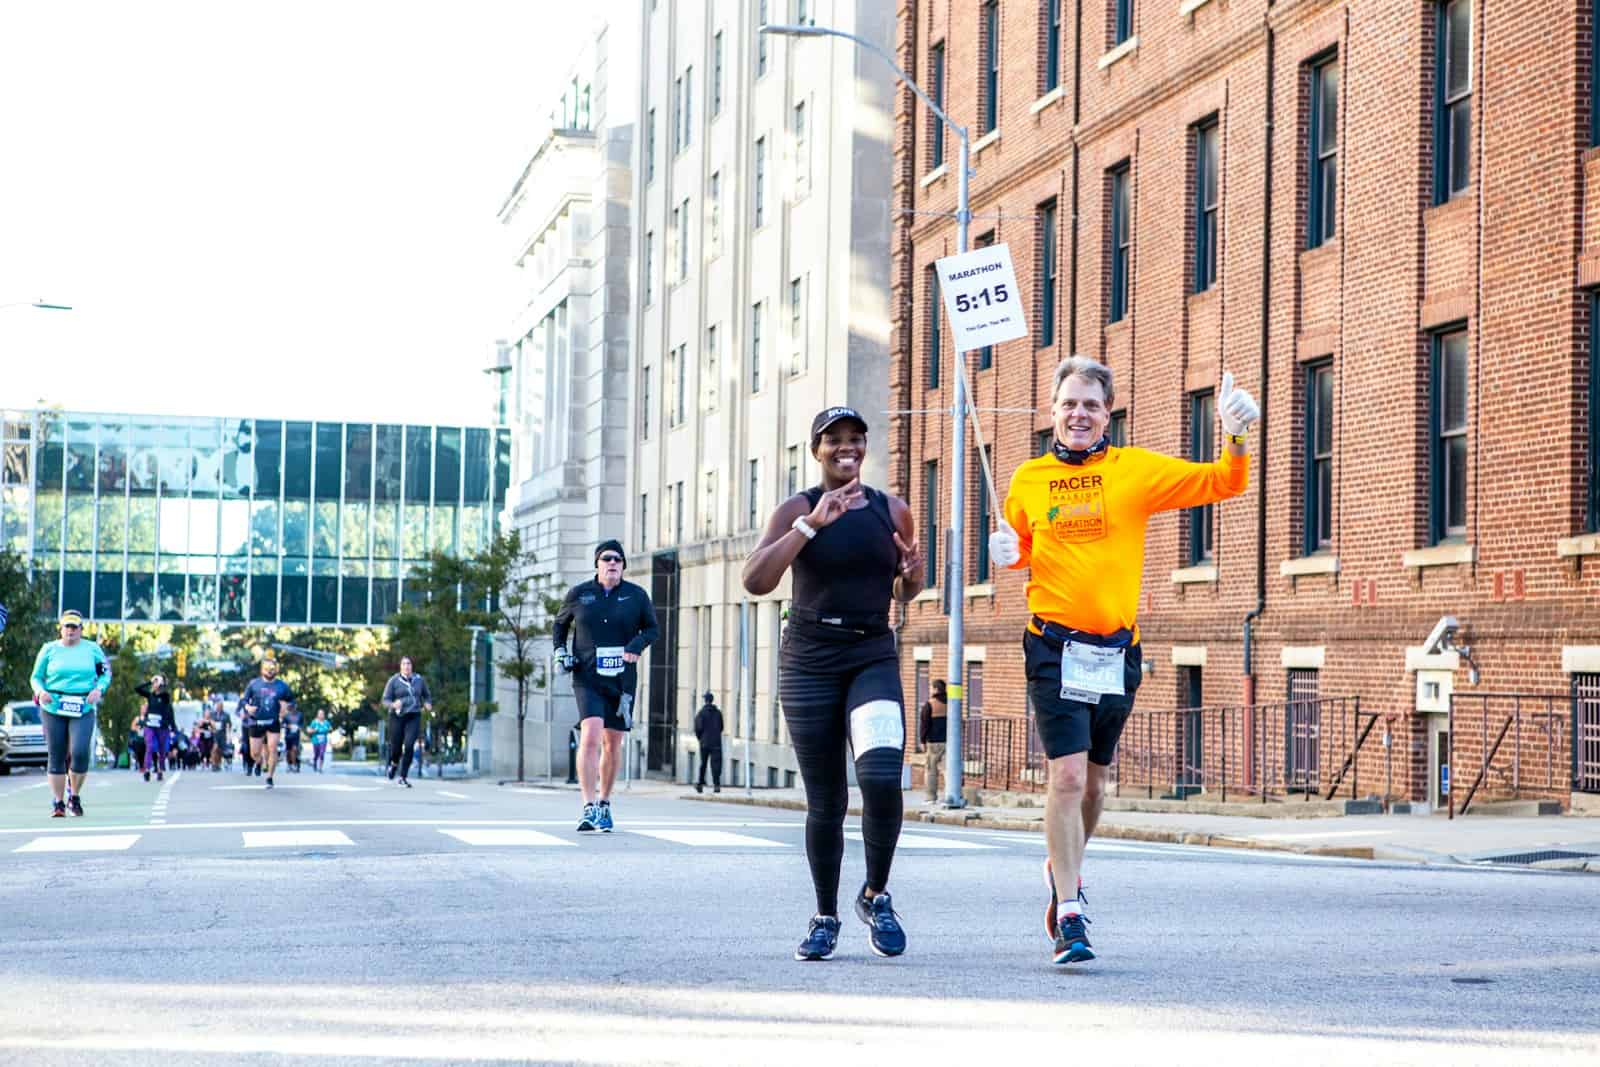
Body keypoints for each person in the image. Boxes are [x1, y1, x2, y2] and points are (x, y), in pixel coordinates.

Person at [991, 357, 1258, 966]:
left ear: (1107, 413)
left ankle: (1064, 867)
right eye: (1069, 403)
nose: (1079, 413)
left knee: (1096, 781)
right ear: (1052, 412)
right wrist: (1004, 552)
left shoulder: (1133, 469)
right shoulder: (1028, 478)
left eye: (1091, 404)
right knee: (1066, 775)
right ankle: (1070, 909)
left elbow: (1225, 482)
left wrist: (1236, 434)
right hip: (1053, 646)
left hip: (1114, 652)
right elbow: (1021, 551)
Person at [742, 406, 923, 961]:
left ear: (866, 447)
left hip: (871, 652)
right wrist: (810, 525)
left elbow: (904, 591)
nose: (846, 448)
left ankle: (876, 894)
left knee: (881, 778)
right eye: (834, 441)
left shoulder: (891, 509)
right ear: (817, 450)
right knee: (827, 799)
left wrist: (912, 576)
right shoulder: (795, 509)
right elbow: (755, 580)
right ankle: (826, 916)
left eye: (855, 439)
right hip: (809, 659)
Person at [553, 539, 660, 832]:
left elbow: (652, 629)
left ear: (624, 565)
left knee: (612, 744)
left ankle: (604, 803)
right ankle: (587, 807)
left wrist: (636, 645)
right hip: (587, 676)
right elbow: (559, 625)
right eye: (607, 559)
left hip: (622, 680)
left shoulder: (636, 596)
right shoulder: (580, 594)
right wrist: (560, 652)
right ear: (597, 564)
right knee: (590, 735)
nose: (612, 564)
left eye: (618, 560)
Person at [29, 610, 111, 817]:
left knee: (80, 751)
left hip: (82, 705)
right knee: (56, 753)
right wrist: (41, 691)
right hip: (53, 705)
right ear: (61, 629)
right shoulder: (49, 649)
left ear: (81, 629)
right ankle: (58, 803)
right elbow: (36, 677)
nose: (71, 631)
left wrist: (98, 689)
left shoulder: (92, 649)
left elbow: (105, 673)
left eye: (75, 627)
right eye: (67, 627)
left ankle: (74, 796)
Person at [237, 658, 295, 789]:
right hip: (256, 721)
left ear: (276, 670)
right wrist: (248, 707)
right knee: (254, 753)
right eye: (267, 669)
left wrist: (288, 708)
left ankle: (269, 777)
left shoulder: (282, 686)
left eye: (272, 669)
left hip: (273, 721)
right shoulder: (254, 684)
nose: (270, 671)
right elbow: (244, 700)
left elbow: (292, 701)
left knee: (273, 748)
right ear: (262, 669)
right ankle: (259, 762)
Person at [381, 657, 432, 788]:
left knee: (409, 745)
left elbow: (427, 695)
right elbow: (385, 700)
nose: (406, 666)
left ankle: (403, 777)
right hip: (397, 716)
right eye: (404, 664)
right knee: (396, 747)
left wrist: (427, 703)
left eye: (408, 664)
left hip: (413, 716)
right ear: (400, 667)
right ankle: (394, 764)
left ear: (412, 666)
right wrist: (393, 704)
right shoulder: (394, 681)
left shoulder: (419, 680)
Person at [135, 674, 177, 782]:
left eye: (156, 683)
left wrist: (173, 728)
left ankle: (160, 770)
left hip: (162, 726)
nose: (154, 685)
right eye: (154, 683)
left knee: (162, 749)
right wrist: (150, 681)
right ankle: (147, 769)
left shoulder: (165, 697)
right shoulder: (150, 696)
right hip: (150, 725)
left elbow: (169, 711)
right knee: (149, 746)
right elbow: (137, 689)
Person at [918, 680, 948, 805]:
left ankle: (931, 797)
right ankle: (950, 795)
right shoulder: (951, 703)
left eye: (931, 688)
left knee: (931, 771)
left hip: (934, 742)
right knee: (948, 770)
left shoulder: (930, 704)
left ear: (935, 689)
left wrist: (922, 740)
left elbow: (925, 724)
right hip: (949, 742)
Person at [692, 691, 724, 794]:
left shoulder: (701, 713)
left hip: (704, 742)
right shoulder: (718, 713)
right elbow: (721, 727)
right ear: (712, 700)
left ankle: (700, 784)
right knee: (716, 764)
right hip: (716, 742)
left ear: (705, 701)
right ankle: (716, 785)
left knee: (703, 764)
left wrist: (700, 738)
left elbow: (697, 728)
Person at [282, 708, 303, 772]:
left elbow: (302, 724)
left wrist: (299, 727)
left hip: (296, 736)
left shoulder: (300, 715)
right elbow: (282, 724)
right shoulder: (286, 716)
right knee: (288, 751)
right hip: (288, 736)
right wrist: (288, 726)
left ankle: (294, 765)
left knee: (294, 749)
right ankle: (289, 764)